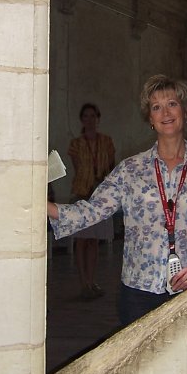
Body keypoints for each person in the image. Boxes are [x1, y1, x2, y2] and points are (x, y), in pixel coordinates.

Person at [47, 75, 187, 326]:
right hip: (138, 290)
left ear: (185, 110)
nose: (165, 113)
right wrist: (42, 204)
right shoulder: (130, 169)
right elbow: (93, 210)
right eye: (156, 107)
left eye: (172, 104)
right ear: (150, 119)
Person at [68, 103, 116, 299]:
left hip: (99, 196)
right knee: (81, 240)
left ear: (98, 118)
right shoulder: (76, 144)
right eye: (86, 116)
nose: (90, 120)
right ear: (82, 119)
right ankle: (83, 283)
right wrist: (88, 186)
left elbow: (111, 167)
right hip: (82, 195)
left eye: (93, 116)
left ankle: (92, 280)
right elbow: (78, 169)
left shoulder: (107, 142)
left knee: (94, 241)